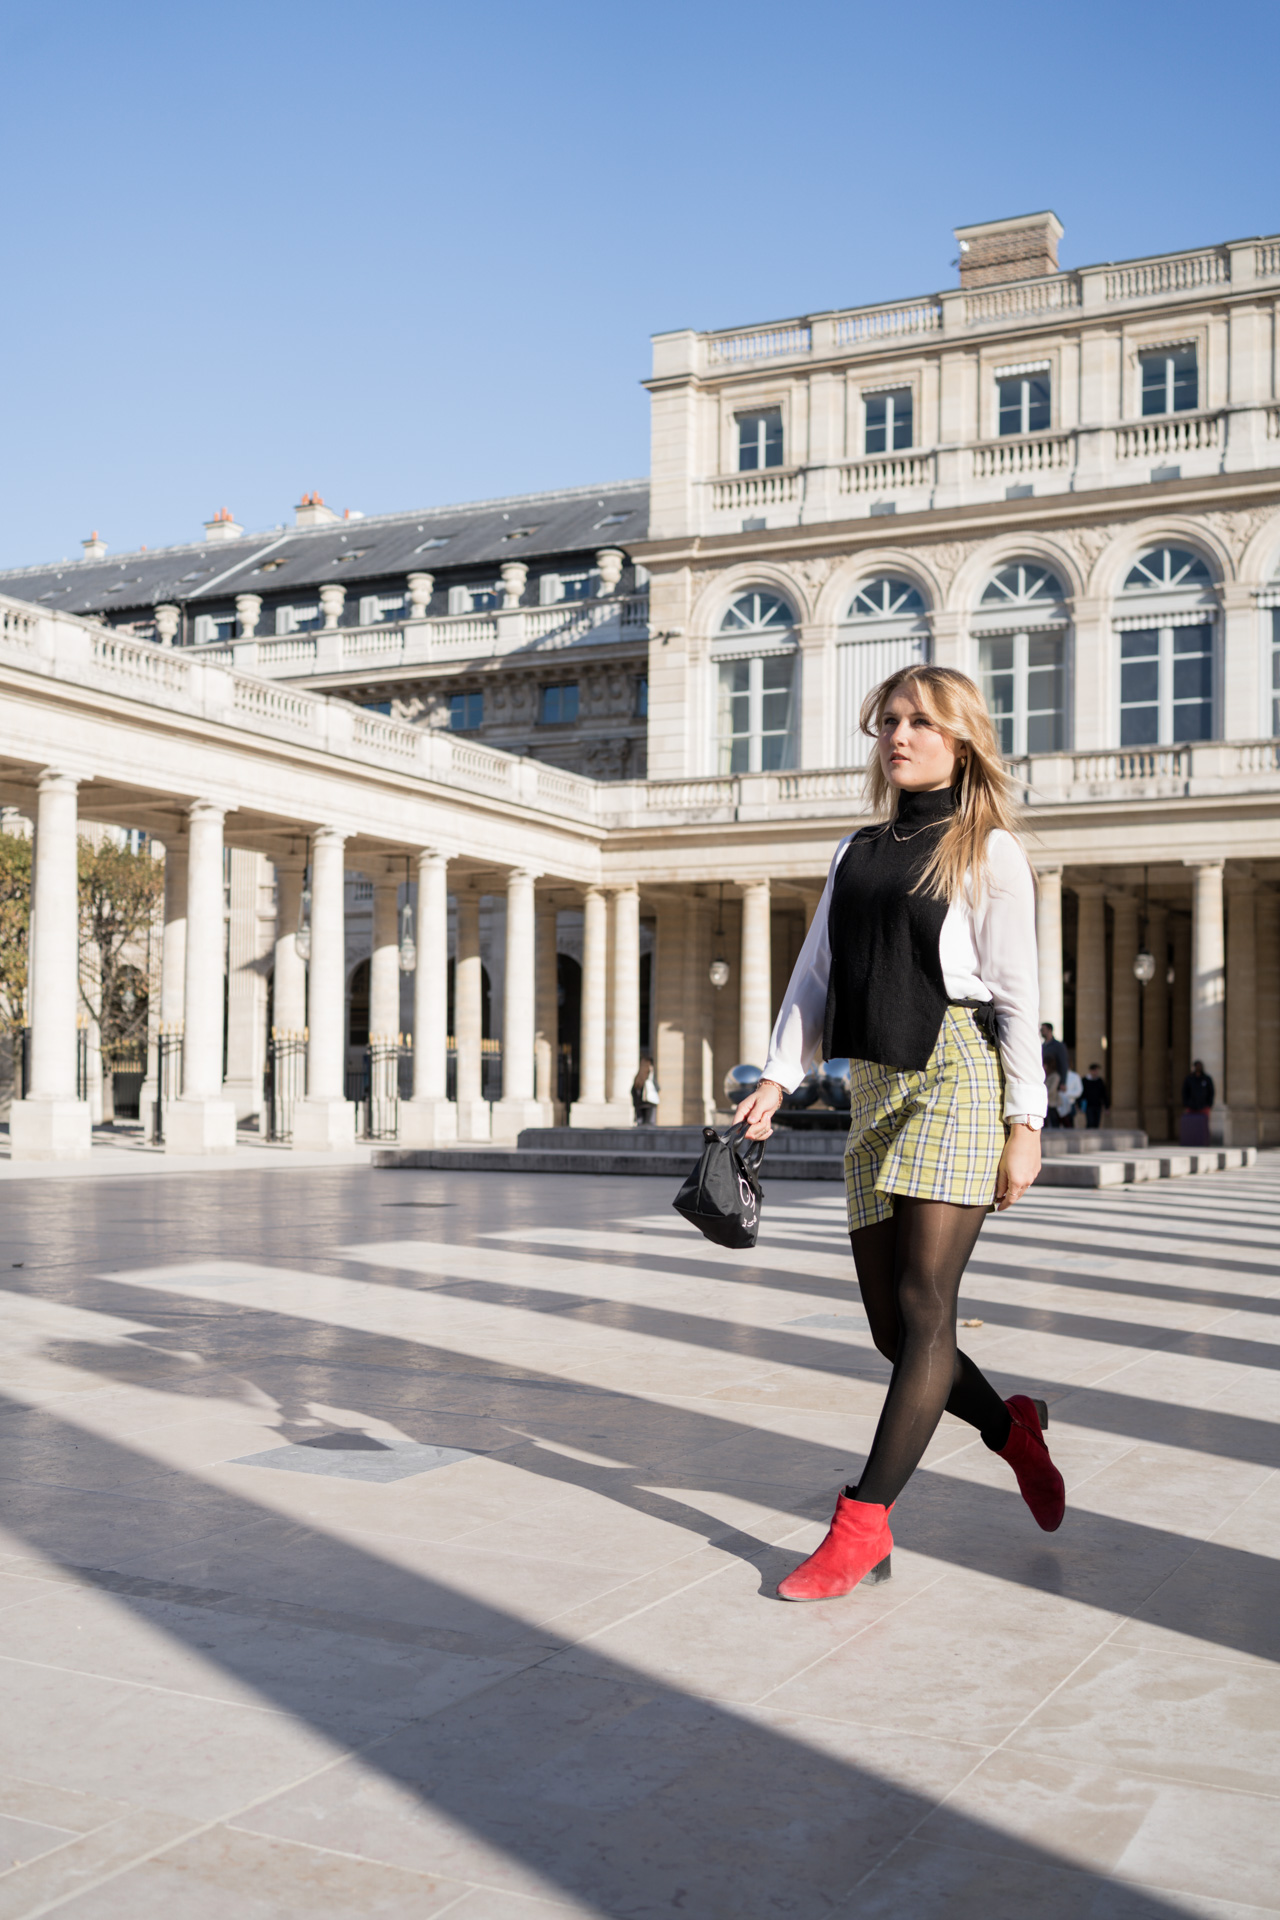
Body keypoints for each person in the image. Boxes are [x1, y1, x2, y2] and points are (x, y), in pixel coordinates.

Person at [735, 664, 1064, 1603]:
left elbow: (1015, 998)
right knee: (892, 1328)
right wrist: (776, 1076)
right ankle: (1013, 1430)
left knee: (927, 1303)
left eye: (921, 721)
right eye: (887, 721)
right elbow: (815, 972)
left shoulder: (989, 850)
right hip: (873, 1084)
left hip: (960, 1073)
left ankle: (861, 1522)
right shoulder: (856, 851)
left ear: (962, 739)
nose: (899, 735)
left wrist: (1026, 1123)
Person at [1041, 1022, 1069, 1129]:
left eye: (1043, 1029)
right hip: (1045, 1079)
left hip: (1055, 1080)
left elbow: (1063, 1064)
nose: (1041, 1032)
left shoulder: (1058, 1046)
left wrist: (1063, 1082)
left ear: (1049, 1030)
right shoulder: (1043, 1046)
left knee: (1052, 1108)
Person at [1180, 1058, 1214, 1147]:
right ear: (1194, 1067)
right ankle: (1191, 1142)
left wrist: (1209, 1104)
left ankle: (1205, 1142)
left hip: (1204, 1106)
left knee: (1204, 1126)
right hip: (1191, 1106)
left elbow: (1211, 1092)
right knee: (1191, 1126)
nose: (1198, 1068)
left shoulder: (1207, 1079)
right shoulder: (1189, 1079)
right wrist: (1186, 1103)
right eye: (1197, 1066)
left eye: (1200, 1066)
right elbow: (1185, 1092)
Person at [631, 1058, 659, 1126]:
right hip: (650, 1103)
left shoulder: (638, 1077)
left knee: (640, 1124)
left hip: (639, 1104)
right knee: (650, 1124)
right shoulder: (650, 1077)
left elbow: (633, 1091)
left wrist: (635, 1104)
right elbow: (657, 1088)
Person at [1080, 1064, 1108, 1130]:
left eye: (1097, 1071)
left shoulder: (1100, 1081)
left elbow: (1104, 1094)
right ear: (1091, 1071)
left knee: (1096, 1123)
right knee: (1090, 1122)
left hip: (1098, 1105)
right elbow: (1081, 1094)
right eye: (1095, 1070)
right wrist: (1079, 1104)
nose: (1096, 1072)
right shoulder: (1084, 1080)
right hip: (1088, 1105)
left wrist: (1107, 1106)